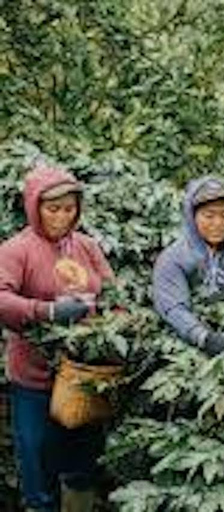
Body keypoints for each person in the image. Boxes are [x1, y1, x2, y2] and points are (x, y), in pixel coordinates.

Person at [0, 165, 114, 512]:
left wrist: (115, 322)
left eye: (69, 209)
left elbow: (113, 293)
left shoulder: (88, 247)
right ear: (34, 207)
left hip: (83, 375)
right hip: (36, 379)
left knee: (82, 462)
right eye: (53, 209)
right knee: (37, 459)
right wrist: (47, 311)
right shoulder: (17, 250)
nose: (62, 217)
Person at [153, 176, 224, 355]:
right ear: (192, 217)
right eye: (209, 216)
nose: (218, 224)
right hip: (185, 344)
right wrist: (203, 337)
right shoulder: (173, 258)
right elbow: (174, 308)